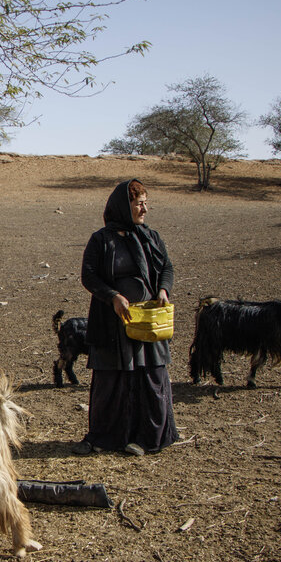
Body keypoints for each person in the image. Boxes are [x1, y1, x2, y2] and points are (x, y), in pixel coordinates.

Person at [71, 179, 179, 456]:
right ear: (123, 206)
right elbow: (89, 276)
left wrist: (163, 290)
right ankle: (107, 438)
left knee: (151, 376)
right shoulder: (101, 239)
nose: (144, 209)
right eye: (138, 204)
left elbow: (166, 266)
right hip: (112, 323)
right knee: (112, 381)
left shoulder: (151, 237)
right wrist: (113, 297)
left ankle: (147, 438)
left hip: (148, 320)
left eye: (145, 203)